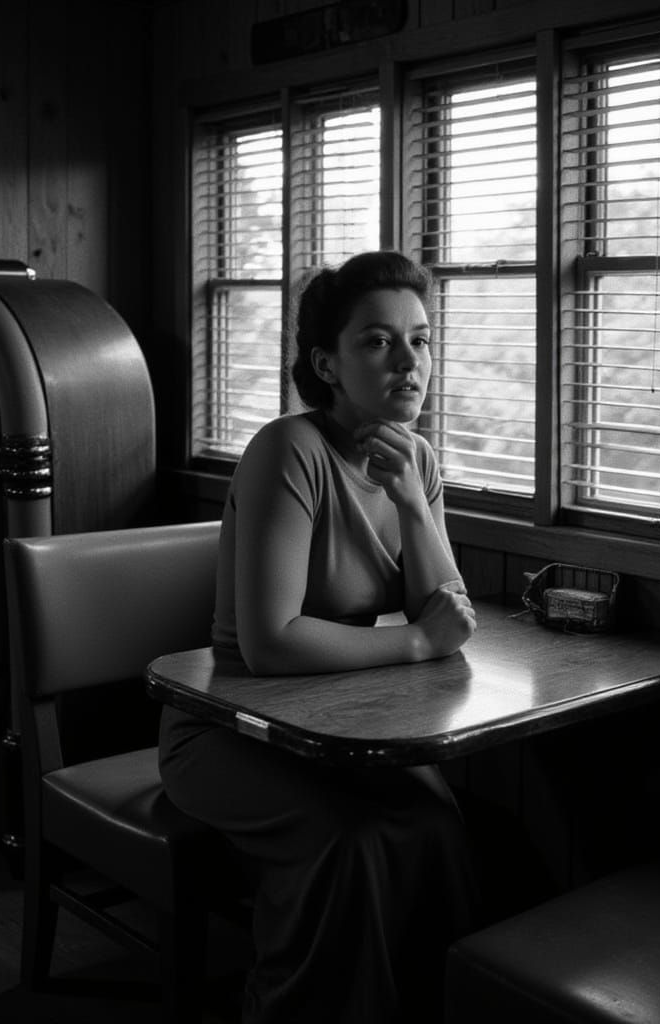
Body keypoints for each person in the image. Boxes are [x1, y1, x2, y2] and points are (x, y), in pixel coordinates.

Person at [159, 251, 480, 1023]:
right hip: (226, 729)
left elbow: (450, 613)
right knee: (348, 842)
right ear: (326, 364)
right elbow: (270, 644)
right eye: (377, 341)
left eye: (422, 339)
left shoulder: (416, 458)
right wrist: (413, 645)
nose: (409, 361)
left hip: (338, 726)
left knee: (439, 825)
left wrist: (410, 499)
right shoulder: (288, 450)